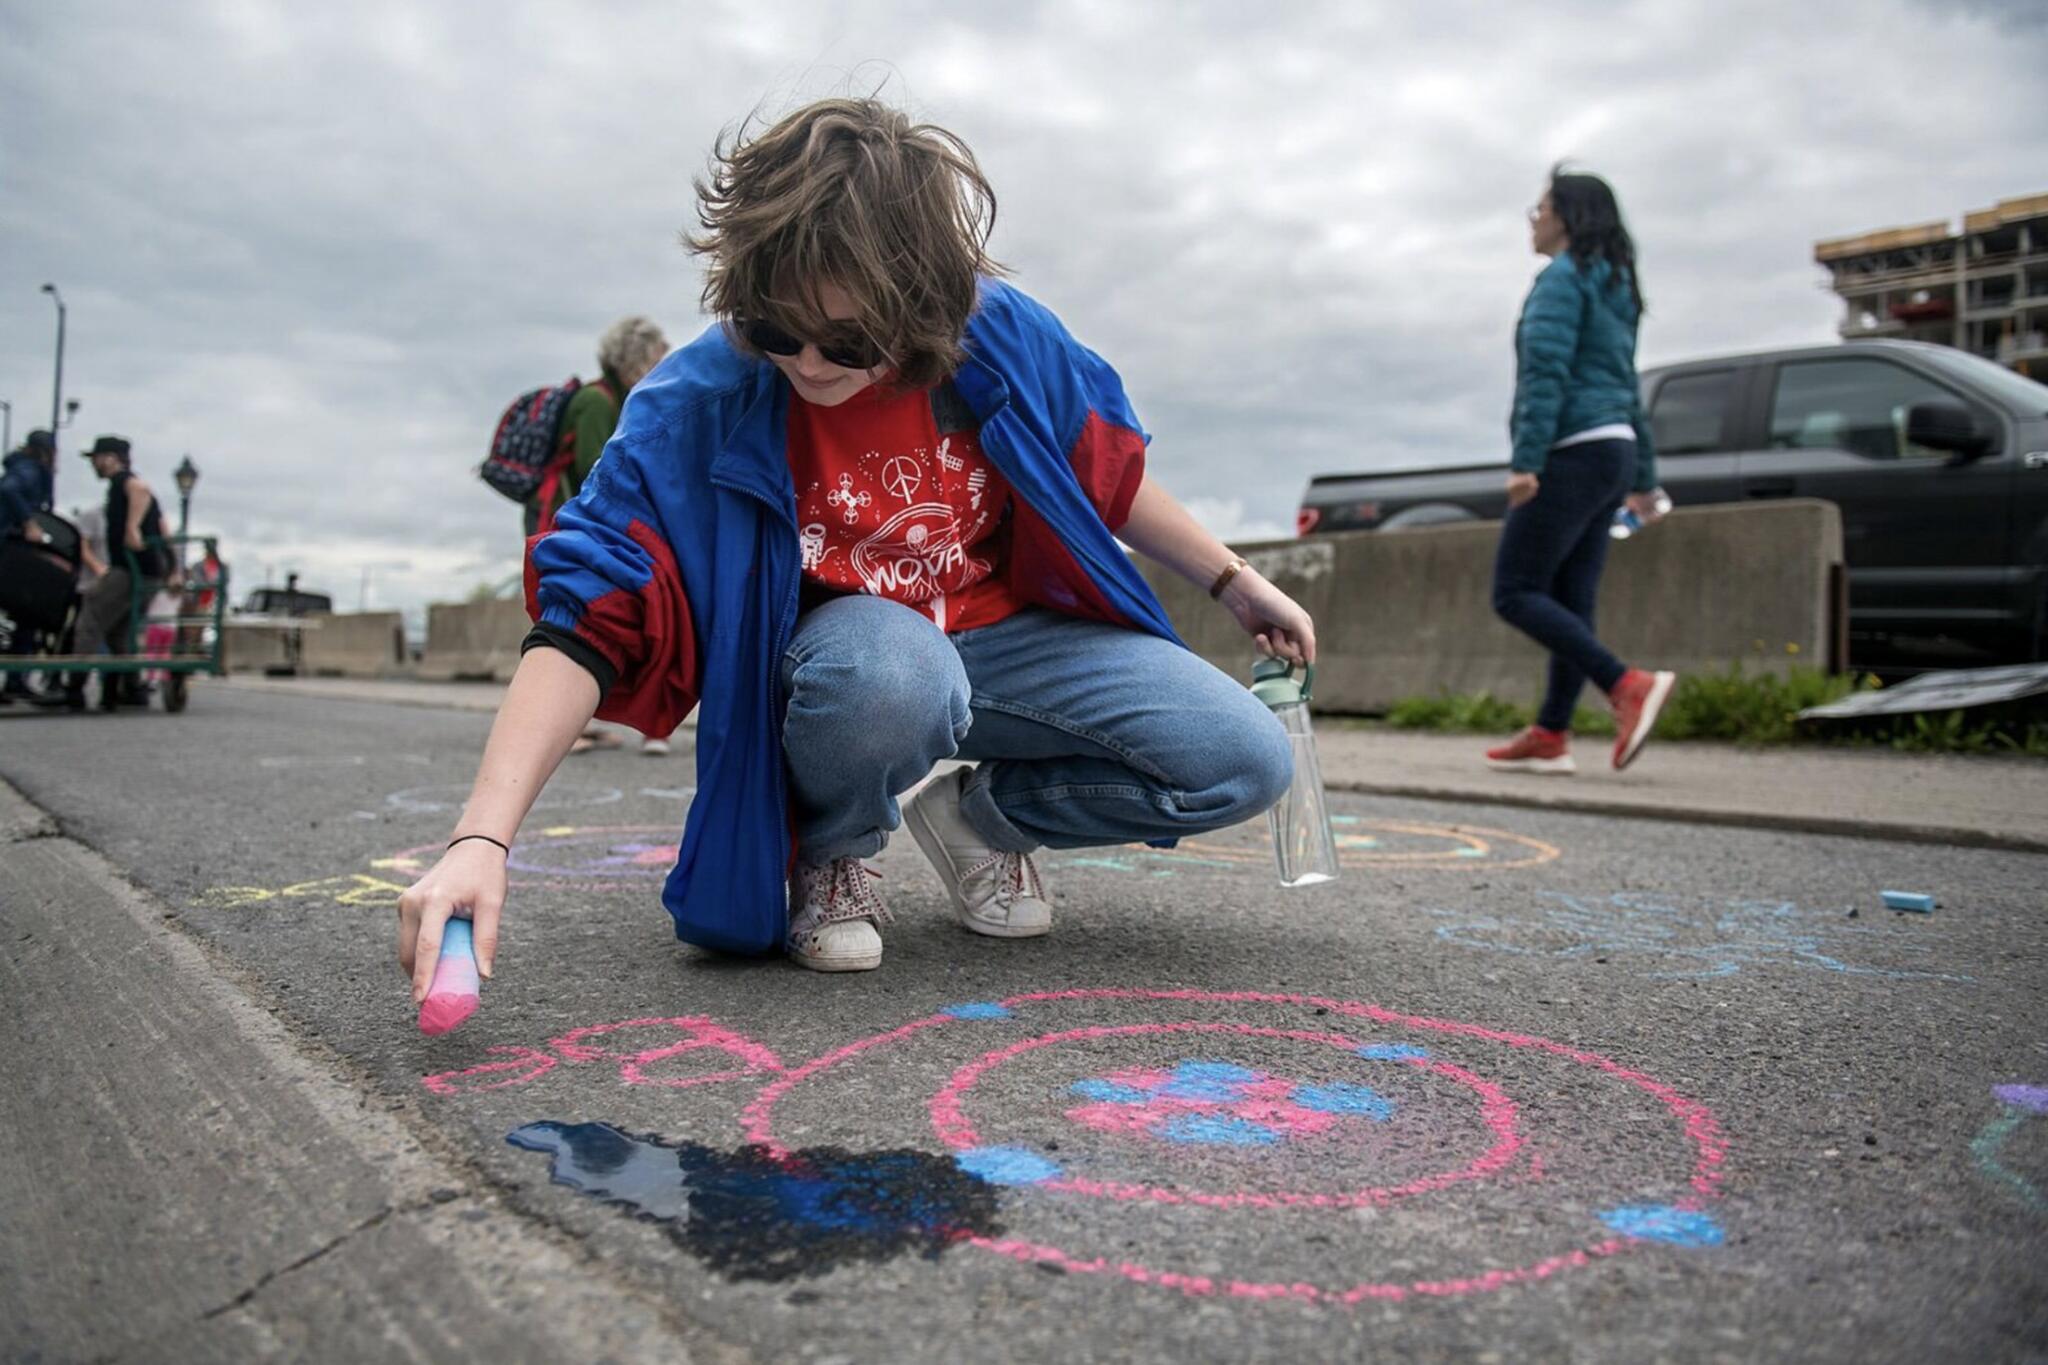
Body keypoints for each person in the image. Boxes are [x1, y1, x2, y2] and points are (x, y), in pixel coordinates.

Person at [399, 96, 1311, 998]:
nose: (808, 362)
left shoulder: (1000, 338)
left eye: (849, 339)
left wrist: (1233, 579)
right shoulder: (700, 401)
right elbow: (586, 616)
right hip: (853, 669)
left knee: (1242, 758)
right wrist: (480, 839)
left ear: (925, 306)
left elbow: (1102, 472)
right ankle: (833, 850)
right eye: (773, 329)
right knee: (897, 672)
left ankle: (982, 820)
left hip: (1002, 641)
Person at [1486, 167, 1675, 776]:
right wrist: (1643, 476)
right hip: (1612, 452)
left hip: (1570, 449)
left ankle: (1626, 685)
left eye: (1540, 208)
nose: (1533, 218)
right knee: (1571, 598)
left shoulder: (1562, 281)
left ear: (1566, 216)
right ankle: (1551, 732)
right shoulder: (1615, 286)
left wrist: (1526, 462)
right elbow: (1627, 386)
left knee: (1515, 590)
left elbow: (1545, 372)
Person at [522, 315, 675, 756]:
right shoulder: (596, 402)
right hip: (566, 525)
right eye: (656, 358)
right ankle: (569, 725)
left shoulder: (618, 399)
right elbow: (598, 469)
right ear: (636, 358)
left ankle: (583, 723)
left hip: (578, 524)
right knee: (573, 617)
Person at [67, 435, 171, 711]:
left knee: (90, 619)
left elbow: (141, 488)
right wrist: (172, 568)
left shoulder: (123, 481)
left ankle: (75, 689)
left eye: (97, 459)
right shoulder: (122, 488)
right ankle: (122, 691)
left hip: (130, 568)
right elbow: (164, 527)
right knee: (119, 632)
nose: (94, 465)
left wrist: (132, 527)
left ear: (111, 458)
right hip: (149, 571)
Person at [0, 430, 57, 702]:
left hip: (10, 548)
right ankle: (15, 679)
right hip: (11, 550)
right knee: (27, 612)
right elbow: (9, 489)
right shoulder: (30, 468)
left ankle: (14, 679)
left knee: (19, 615)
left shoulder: (20, 465)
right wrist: (29, 523)